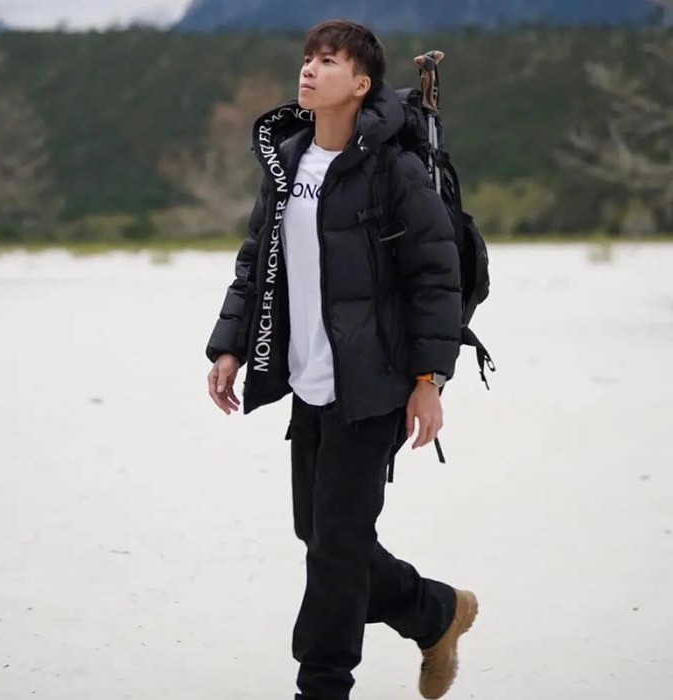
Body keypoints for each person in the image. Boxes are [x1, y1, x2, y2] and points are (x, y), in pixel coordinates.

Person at [206, 18, 477, 700]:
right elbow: (257, 263)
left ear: (361, 84)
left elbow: (435, 279)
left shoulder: (392, 170)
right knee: (322, 534)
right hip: (309, 380)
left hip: (375, 384)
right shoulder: (288, 162)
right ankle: (433, 611)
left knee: (335, 549)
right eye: (308, 58)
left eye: (329, 61)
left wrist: (429, 380)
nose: (310, 69)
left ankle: (322, 685)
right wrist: (231, 344)